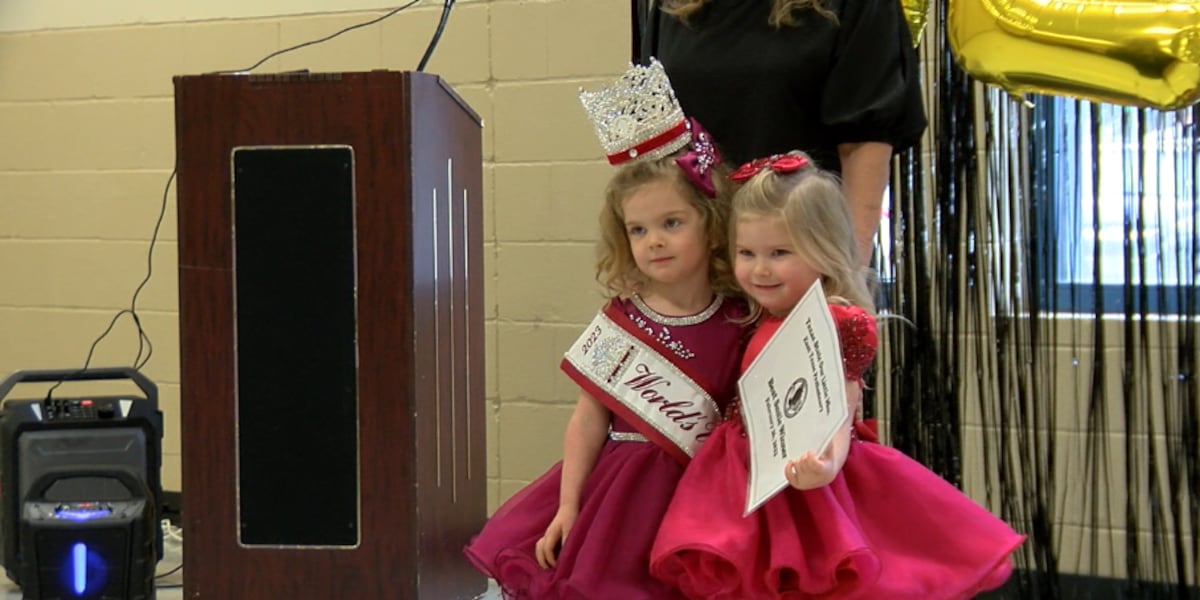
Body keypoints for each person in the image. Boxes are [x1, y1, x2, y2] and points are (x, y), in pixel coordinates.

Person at [650, 151, 1025, 599]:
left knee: (811, 576)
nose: (760, 268)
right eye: (746, 253)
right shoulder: (756, 316)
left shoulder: (836, 321)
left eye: (780, 253)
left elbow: (841, 406)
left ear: (823, 250)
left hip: (806, 476)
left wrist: (827, 461)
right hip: (741, 470)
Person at [463, 59, 749, 599]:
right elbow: (588, 419)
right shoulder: (623, 317)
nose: (654, 241)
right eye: (638, 229)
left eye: (672, 223)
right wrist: (570, 504)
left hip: (696, 502)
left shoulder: (740, 318)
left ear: (711, 224)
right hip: (614, 503)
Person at [639, 0, 927, 265]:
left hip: (798, 257)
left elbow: (864, 141)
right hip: (695, 266)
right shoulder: (674, 6)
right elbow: (654, 147)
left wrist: (850, 275)